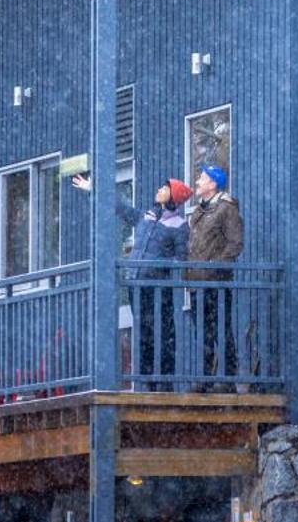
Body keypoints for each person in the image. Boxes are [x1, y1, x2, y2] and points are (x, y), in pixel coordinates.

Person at [71, 173, 191, 387]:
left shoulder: (179, 225)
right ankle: (148, 381)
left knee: (162, 333)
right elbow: (122, 210)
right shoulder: (148, 216)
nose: (159, 190)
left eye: (164, 188)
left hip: (158, 288)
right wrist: (94, 189)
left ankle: (164, 383)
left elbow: (181, 259)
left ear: (173, 196)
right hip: (137, 285)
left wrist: (157, 264)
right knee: (144, 333)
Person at [185, 164, 242, 387]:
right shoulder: (199, 210)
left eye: (202, 178)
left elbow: (235, 244)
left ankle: (228, 379)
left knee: (221, 329)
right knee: (204, 333)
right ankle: (206, 379)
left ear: (213, 184)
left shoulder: (226, 209)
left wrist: (214, 266)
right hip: (197, 282)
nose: (198, 181)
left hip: (216, 282)